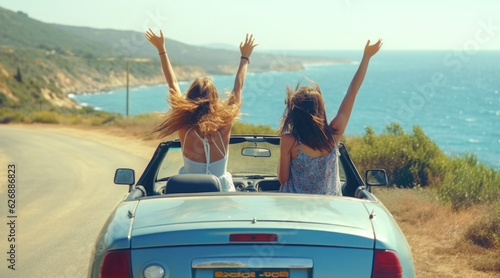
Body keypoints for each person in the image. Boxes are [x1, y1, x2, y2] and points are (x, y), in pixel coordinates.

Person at [145, 29, 258, 191]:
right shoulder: (224, 125)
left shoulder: (184, 126)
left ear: (190, 97)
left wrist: (161, 50)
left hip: (190, 192)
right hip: (221, 193)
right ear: (214, 99)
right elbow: (237, 89)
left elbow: (173, 84)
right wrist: (244, 58)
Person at [278, 39, 383, 195]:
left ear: (295, 113)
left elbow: (282, 179)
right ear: (319, 110)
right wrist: (366, 57)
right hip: (329, 208)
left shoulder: (289, 141)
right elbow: (352, 92)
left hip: (295, 208)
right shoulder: (333, 135)